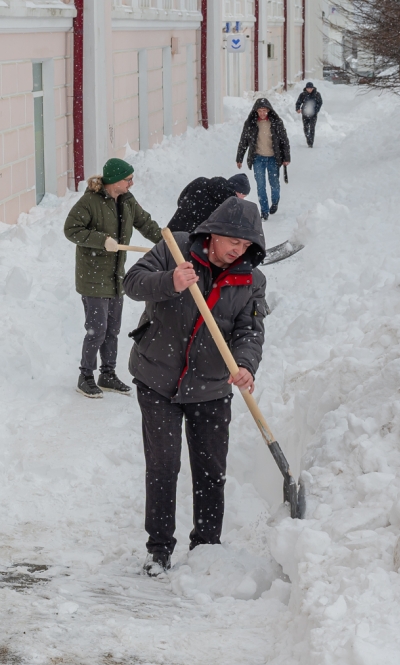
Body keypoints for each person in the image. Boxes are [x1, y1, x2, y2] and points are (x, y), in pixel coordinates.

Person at [123, 197, 268, 577]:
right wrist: (169, 281)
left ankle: (206, 547)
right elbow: (133, 283)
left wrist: (245, 365)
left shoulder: (251, 279)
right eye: (231, 241)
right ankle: (159, 550)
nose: (237, 250)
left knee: (209, 469)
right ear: (211, 234)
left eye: (245, 245)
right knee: (163, 465)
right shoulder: (175, 250)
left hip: (211, 385)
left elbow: (250, 331)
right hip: (158, 375)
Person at [63, 158, 163, 399]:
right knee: (97, 330)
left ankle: (107, 374)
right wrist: (102, 240)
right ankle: (85, 375)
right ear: (115, 180)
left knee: (112, 329)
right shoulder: (90, 202)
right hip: (93, 276)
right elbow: (71, 229)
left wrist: (167, 242)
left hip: (116, 276)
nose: (132, 183)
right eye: (128, 179)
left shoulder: (127, 201)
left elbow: (145, 223)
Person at [235, 98, 291, 220]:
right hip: (258, 158)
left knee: (274, 184)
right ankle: (264, 210)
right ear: (256, 111)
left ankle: (275, 202)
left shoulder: (276, 122)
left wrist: (286, 157)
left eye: (264, 110)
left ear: (269, 110)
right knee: (261, 185)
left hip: (273, 158)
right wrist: (239, 158)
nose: (262, 113)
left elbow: (284, 141)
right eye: (260, 110)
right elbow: (243, 141)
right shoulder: (251, 123)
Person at [165, 174, 249, 235]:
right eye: (243, 196)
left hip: (171, 231)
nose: (243, 199)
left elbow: (180, 200)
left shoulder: (200, 181)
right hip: (191, 242)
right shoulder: (229, 206)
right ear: (238, 191)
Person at [295, 82, 323, 148]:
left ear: (313, 88)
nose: (309, 90)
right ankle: (308, 139)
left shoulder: (317, 94)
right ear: (306, 88)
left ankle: (311, 142)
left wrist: (316, 110)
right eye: (308, 88)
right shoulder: (303, 94)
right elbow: (298, 102)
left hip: (313, 114)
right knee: (306, 127)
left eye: (311, 88)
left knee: (312, 127)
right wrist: (297, 109)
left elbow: (320, 103)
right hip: (305, 114)